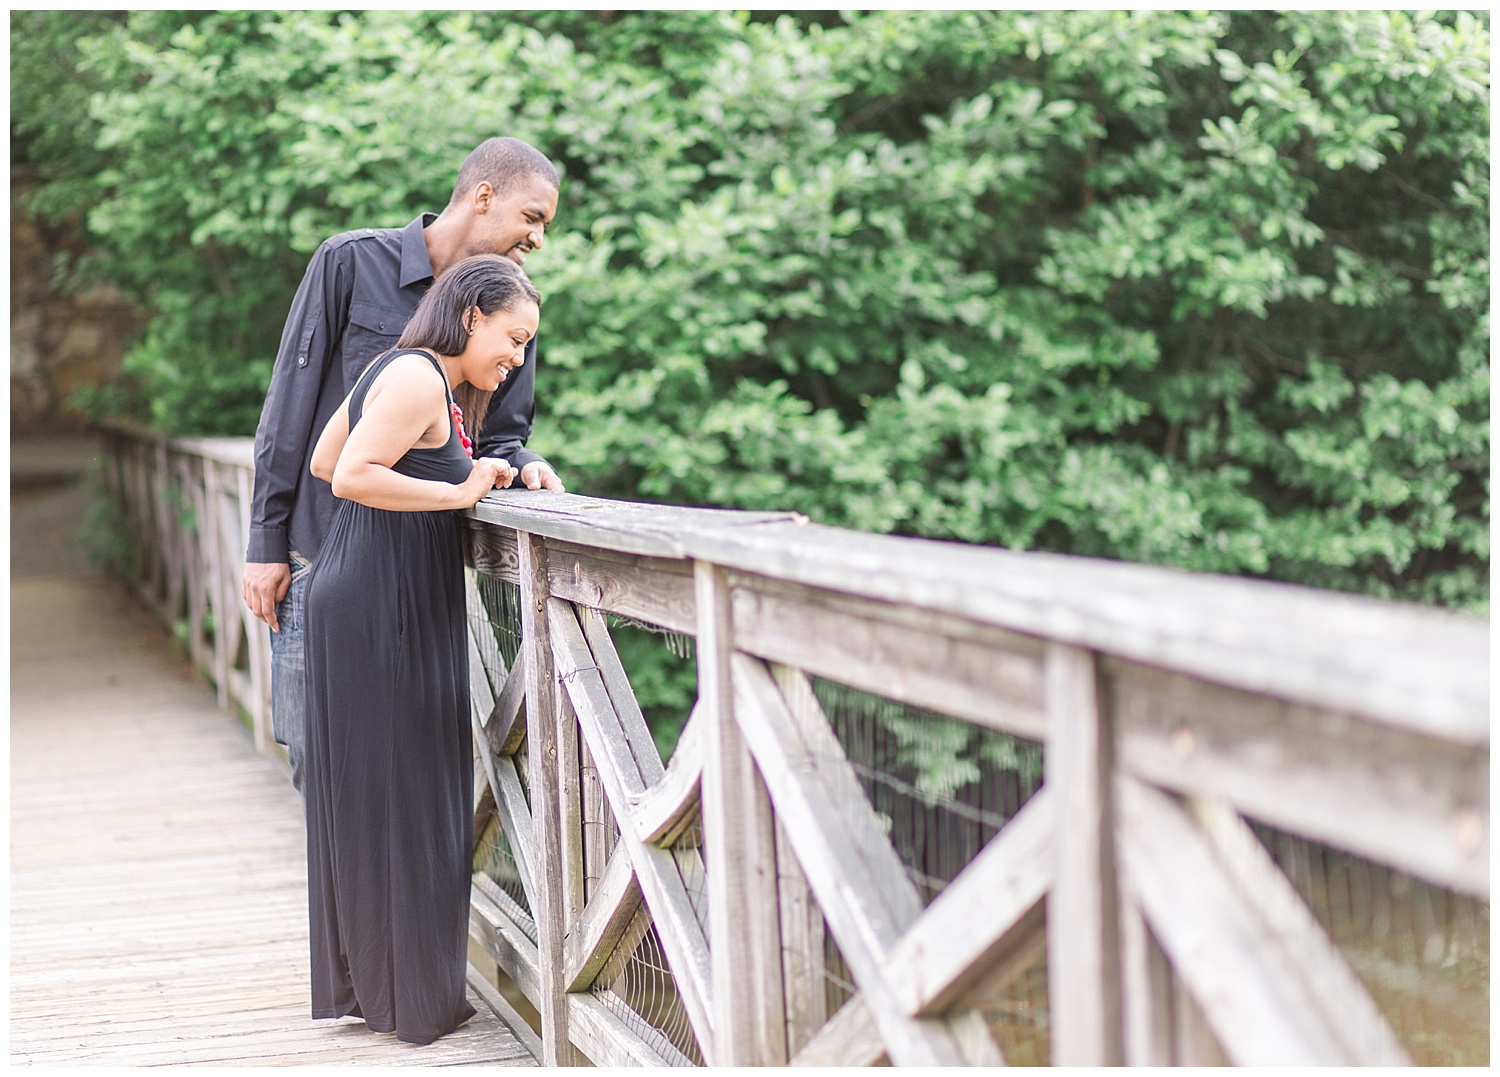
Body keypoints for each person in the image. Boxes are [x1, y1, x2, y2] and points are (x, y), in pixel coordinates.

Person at [242, 137, 565, 796]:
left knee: (409, 779)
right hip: (319, 561)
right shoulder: (349, 263)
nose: (537, 238)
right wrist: (265, 541)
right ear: (483, 196)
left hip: (417, 577)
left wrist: (524, 465)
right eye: (532, 218)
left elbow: (500, 440)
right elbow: (288, 410)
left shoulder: (514, 314)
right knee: (321, 768)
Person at [302, 253, 541, 1044]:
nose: (515, 358)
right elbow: (348, 476)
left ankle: (380, 985)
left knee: (381, 794)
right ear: (471, 314)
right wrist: (456, 490)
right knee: (405, 794)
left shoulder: (399, 371)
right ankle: (405, 995)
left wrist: (498, 468)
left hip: (371, 592)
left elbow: (327, 456)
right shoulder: (415, 378)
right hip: (383, 601)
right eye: (511, 338)